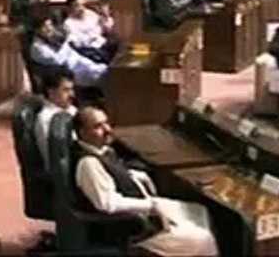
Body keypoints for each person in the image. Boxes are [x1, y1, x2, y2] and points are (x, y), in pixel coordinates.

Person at [72, 106, 217, 255]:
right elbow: (107, 204)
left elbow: (112, 175)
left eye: (106, 123)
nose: (107, 129)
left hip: (144, 206)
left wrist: (135, 175)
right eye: (98, 127)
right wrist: (149, 206)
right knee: (203, 239)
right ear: (82, 133)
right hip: (130, 226)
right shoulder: (88, 163)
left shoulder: (102, 150)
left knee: (198, 211)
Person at [30, 16, 107, 88]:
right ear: (37, 30)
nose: (49, 29)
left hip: (78, 61)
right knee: (97, 76)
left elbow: (70, 50)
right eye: (45, 27)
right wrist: (66, 43)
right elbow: (58, 60)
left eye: (50, 25)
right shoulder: (38, 48)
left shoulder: (53, 37)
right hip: (67, 72)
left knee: (102, 69)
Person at [34, 68, 76, 167]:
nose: (72, 95)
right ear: (51, 92)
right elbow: (55, 158)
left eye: (72, 89)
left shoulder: (71, 110)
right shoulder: (46, 119)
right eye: (66, 90)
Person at [62, 0, 116, 64]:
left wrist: (106, 17)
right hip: (90, 50)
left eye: (83, 5)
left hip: (103, 43)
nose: (82, 8)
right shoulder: (68, 24)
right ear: (69, 9)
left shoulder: (89, 13)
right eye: (77, 6)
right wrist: (94, 34)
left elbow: (107, 29)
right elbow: (78, 43)